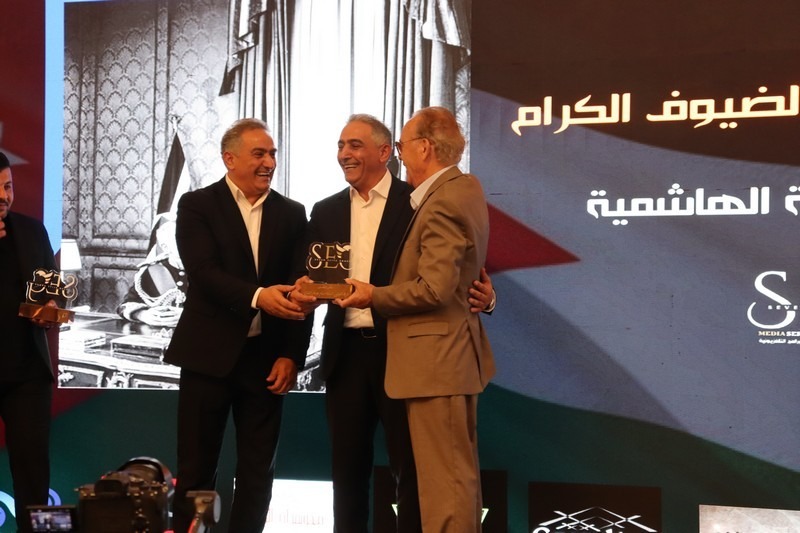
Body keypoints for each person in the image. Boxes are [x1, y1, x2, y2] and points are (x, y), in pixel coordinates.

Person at [295, 114, 494, 532]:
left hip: (405, 353)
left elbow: (453, 278)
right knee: (348, 474)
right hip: (345, 355)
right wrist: (306, 292)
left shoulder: (419, 199)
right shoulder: (326, 210)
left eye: (355, 145)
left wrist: (488, 297)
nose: (344, 154)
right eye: (340, 145)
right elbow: (317, 276)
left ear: (386, 152)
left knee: (419, 473)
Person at [163, 118, 313, 533]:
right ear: (229, 159)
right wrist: (258, 296)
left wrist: (291, 355)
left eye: (272, 154)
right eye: (259, 154)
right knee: (196, 472)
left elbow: (303, 289)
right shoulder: (197, 205)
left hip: (266, 362)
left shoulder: (292, 213)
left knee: (257, 474)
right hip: (207, 358)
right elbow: (204, 273)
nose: (269, 162)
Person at [0, 151, 60, 533]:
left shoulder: (32, 230)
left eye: (7, 187)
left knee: (34, 479)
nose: (3, 197)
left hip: (27, 376)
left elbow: (53, 292)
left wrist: (51, 308)